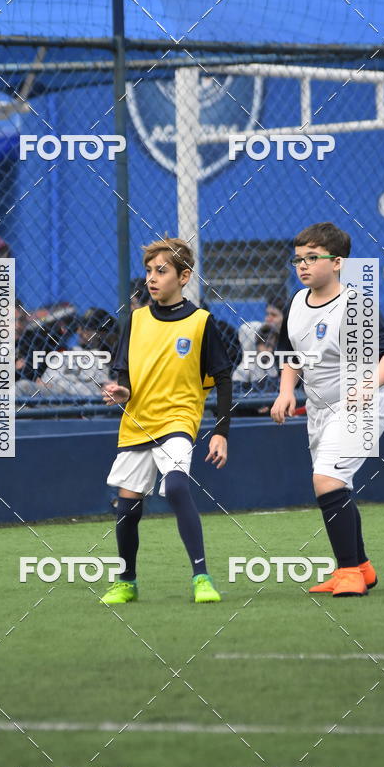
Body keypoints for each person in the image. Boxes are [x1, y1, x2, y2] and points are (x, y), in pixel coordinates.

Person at [270, 222, 384, 597]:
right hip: (319, 411)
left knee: (326, 480)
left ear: (338, 262)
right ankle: (360, 565)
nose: (303, 266)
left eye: (313, 258)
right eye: (298, 259)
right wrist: (285, 392)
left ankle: (348, 573)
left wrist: (369, 384)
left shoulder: (355, 304)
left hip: (361, 407)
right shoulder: (296, 303)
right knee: (335, 483)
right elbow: (292, 356)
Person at [100, 237, 233, 605]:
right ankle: (126, 580)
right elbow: (123, 372)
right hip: (138, 423)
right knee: (127, 506)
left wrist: (221, 432)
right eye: (148, 271)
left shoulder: (202, 322)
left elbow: (223, 378)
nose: (152, 278)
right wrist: (122, 391)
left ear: (184, 275)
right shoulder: (136, 320)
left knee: (175, 488)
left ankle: (202, 577)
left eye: (162, 271)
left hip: (178, 420)